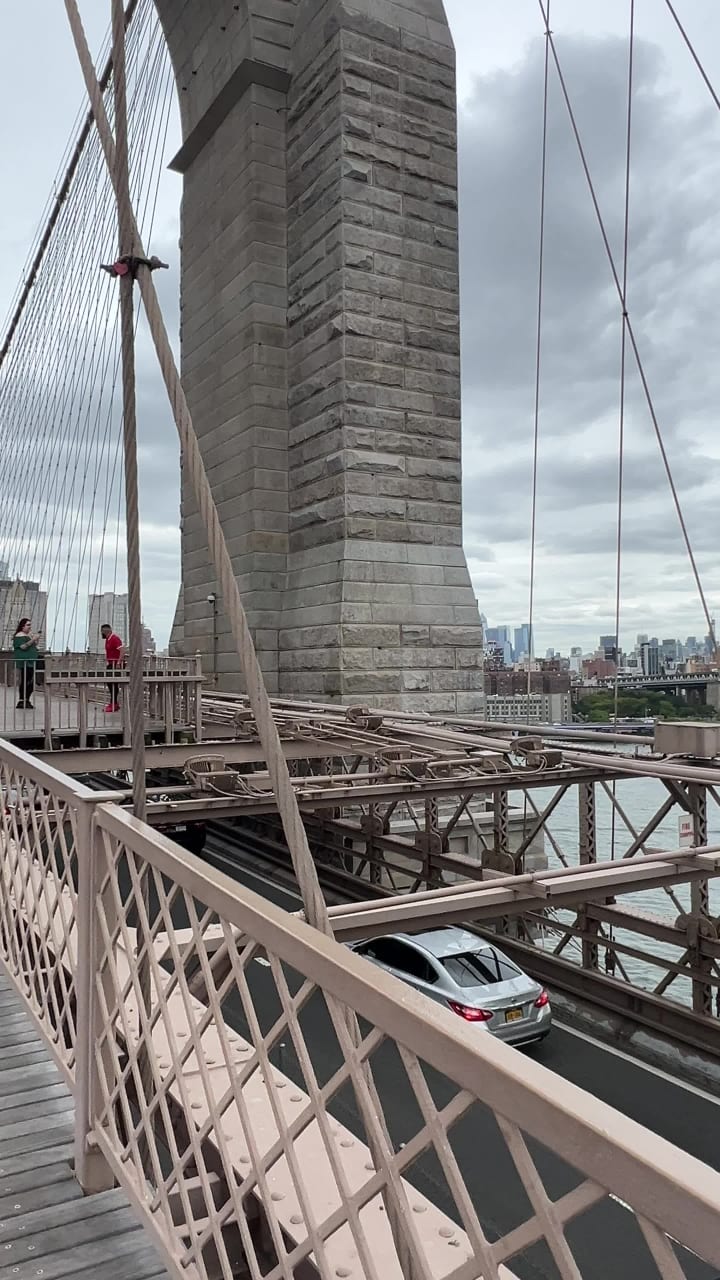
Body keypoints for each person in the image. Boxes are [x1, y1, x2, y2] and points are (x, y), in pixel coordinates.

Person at [13, 618, 41, 710]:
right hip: (25, 662)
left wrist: (35, 639)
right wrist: (33, 639)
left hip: (31, 661)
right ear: (22, 626)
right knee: (26, 681)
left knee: (30, 681)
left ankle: (26, 699)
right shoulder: (19, 636)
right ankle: (22, 700)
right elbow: (23, 647)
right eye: (28, 625)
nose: (30, 627)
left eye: (30, 625)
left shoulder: (27, 635)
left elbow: (34, 646)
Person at [101, 622, 124, 713]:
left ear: (105, 631)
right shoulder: (108, 639)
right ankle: (113, 703)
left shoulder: (115, 639)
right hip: (110, 664)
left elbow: (122, 650)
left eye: (102, 631)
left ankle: (114, 704)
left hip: (115, 664)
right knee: (110, 683)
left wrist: (119, 663)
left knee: (113, 684)